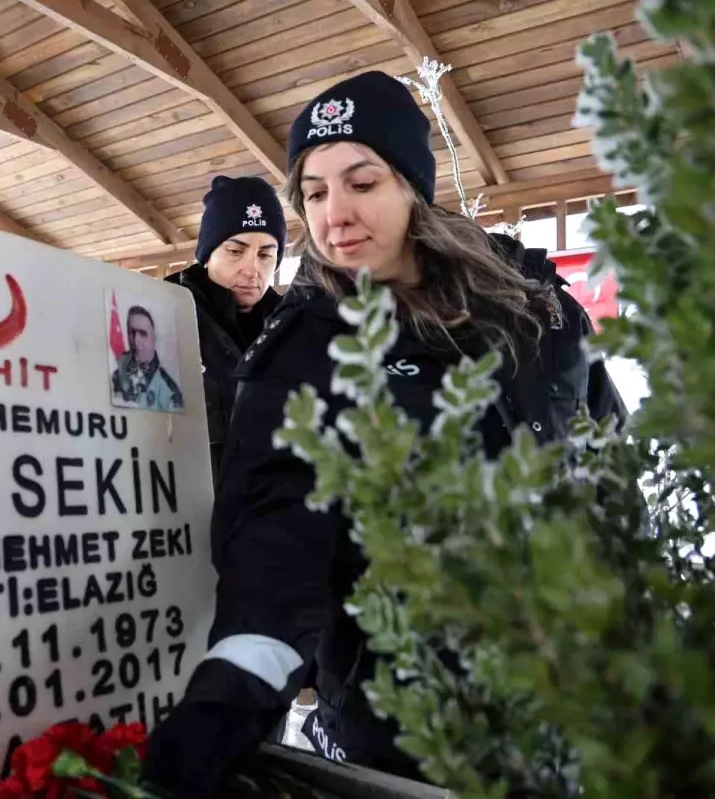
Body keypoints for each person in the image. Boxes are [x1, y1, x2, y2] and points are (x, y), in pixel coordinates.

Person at [141, 71, 629, 796]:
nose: (333, 215)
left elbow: (614, 479)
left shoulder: (540, 314)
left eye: (361, 182)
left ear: (410, 183)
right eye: (313, 192)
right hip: (404, 737)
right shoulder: (304, 353)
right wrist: (224, 706)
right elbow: (277, 559)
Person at [166, 175, 286, 477]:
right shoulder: (160, 309)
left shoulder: (291, 325)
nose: (252, 269)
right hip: (184, 508)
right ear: (207, 255)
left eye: (265, 254)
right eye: (235, 251)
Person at [111, 305, 184, 411]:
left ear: (154, 339)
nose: (136, 341)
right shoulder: (117, 375)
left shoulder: (169, 391)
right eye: (132, 333)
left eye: (143, 334)